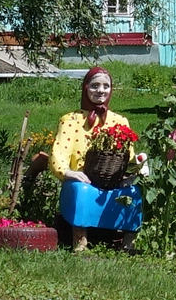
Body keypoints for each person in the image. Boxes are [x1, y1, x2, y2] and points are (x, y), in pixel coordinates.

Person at [45, 67, 137, 251]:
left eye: (106, 86)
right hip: (83, 178)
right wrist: (69, 172)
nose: (100, 90)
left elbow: (130, 156)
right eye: (94, 86)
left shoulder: (120, 121)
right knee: (82, 190)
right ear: (85, 88)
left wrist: (135, 169)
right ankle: (80, 241)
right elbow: (59, 152)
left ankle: (128, 243)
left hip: (112, 178)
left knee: (133, 192)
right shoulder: (70, 120)